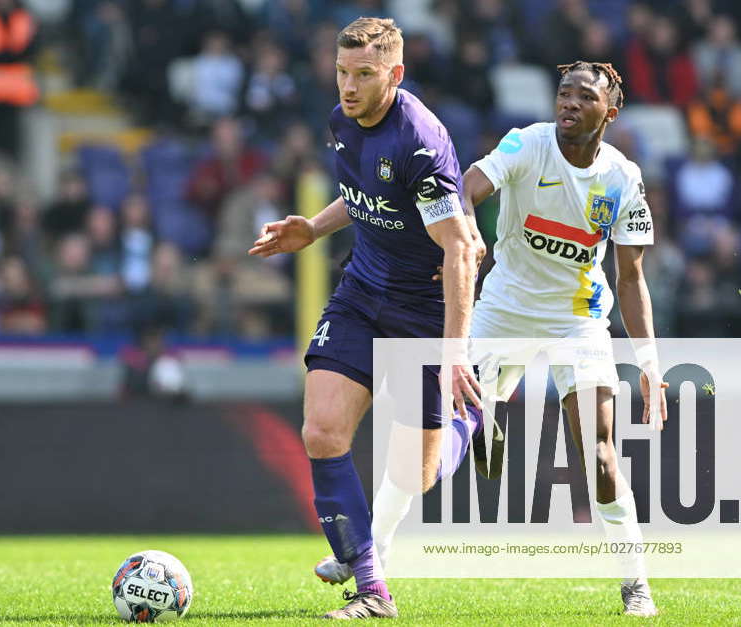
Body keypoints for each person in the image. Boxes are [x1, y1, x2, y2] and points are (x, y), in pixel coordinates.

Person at [317, 61, 671, 618]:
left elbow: (631, 278)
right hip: (500, 309)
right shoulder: (526, 145)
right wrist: (466, 232)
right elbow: (467, 187)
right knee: (421, 439)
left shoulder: (624, 179)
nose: (569, 104)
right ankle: (370, 558)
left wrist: (650, 364)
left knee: (600, 453)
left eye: (584, 96)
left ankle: (635, 584)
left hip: (577, 320)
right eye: (563, 93)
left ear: (610, 111)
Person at [249, 17, 482, 620]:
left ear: (395, 75)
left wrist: (454, 353)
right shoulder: (339, 122)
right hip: (360, 294)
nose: (348, 87)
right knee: (322, 431)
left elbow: (461, 249)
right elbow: (366, 197)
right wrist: (312, 227)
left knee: (418, 473)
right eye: (341, 73)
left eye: (364, 75)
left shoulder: (420, 143)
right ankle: (372, 589)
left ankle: (471, 422)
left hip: (423, 312)